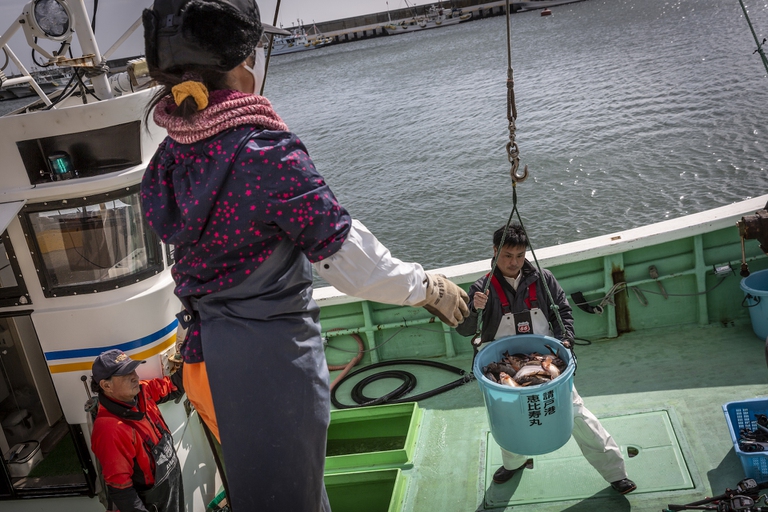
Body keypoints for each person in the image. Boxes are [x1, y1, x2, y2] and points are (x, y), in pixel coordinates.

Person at [139, 1, 470, 510]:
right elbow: (350, 261)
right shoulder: (266, 157)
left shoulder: (170, 158)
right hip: (269, 365)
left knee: (269, 490)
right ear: (242, 67)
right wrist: (428, 288)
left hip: (208, 361)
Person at [456, 223, 636, 495]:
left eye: (519, 255)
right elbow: (466, 329)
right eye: (507, 255)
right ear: (494, 251)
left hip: (544, 360)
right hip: (503, 366)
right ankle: (514, 462)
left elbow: (562, 311)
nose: (514, 262)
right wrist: (472, 309)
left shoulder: (543, 278)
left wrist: (567, 339)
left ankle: (615, 473)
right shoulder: (481, 287)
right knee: (508, 420)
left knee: (578, 415)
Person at [90, 349, 185, 512]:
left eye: (132, 369)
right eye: (126, 374)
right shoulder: (109, 430)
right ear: (106, 385)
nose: (135, 376)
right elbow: (121, 491)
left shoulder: (143, 391)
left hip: (172, 492)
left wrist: (193, 357)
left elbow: (174, 386)